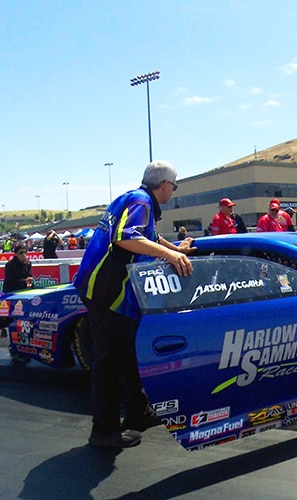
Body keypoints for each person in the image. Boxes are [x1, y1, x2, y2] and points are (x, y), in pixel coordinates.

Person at [73, 160, 195, 449]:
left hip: (102, 289)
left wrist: (175, 248)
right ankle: (103, 432)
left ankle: (137, 413)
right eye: (174, 187)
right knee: (109, 362)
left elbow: (148, 236)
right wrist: (171, 257)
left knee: (127, 354)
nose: (173, 192)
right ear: (164, 184)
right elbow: (128, 237)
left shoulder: (132, 198)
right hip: (107, 291)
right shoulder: (142, 201)